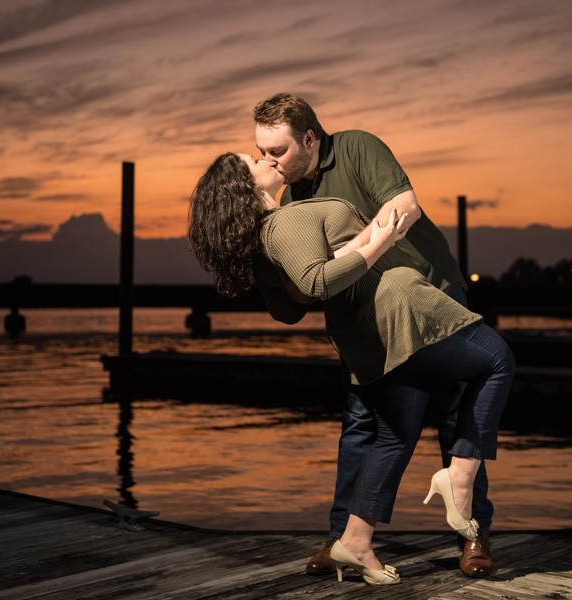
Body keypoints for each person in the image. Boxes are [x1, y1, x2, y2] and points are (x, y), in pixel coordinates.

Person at [188, 152, 514, 585]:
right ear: (244, 187)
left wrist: (354, 247)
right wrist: (381, 240)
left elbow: (292, 305)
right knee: (497, 360)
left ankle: (355, 540)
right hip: (400, 304)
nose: (263, 158)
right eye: (252, 160)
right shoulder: (284, 223)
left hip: (365, 332)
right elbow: (314, 283)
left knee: (392, 436)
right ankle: (459, 476)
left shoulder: (264, 239)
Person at [252, 93, 497, 578]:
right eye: (260, 152)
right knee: (362, 425)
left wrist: (352, 250)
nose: (268, 161)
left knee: (454, 416)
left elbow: (404, 207)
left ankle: (473, 535)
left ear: (309, 138)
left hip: (433, 299)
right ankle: (346, 538)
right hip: (363, 323)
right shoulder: (288, 200)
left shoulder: (358, 148)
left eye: (276, 150)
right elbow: (307, 290)